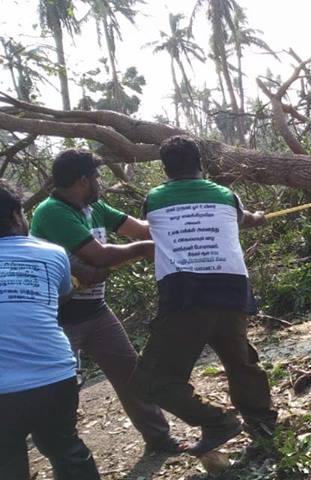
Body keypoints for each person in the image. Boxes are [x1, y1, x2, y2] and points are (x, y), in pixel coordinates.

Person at [133, 135, 278, 457]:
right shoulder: (226, 196)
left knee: (153, 380)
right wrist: (260, 217)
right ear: (200, 163)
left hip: (185, 294)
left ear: (165, 169)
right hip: (230, 288)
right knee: (239, 360)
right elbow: (244, 220)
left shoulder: (153, 199)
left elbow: (154, 229)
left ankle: (218, 422)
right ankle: (263, 424)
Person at [29, 149, 182, 454]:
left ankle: (159, 439)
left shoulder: (93, 206)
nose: (100, 183)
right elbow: (98, 255)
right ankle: (65, 455)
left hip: (95, 312)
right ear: (83, 180)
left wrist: (186, 224)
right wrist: (142, 249)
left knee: (131, 373)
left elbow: (140, 229)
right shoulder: (51, 212)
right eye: (97, 177)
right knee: (61, 389)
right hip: (58, 319)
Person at [0, 180, 101, 480]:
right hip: (54, 377)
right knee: (66, 450)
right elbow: (62, 297)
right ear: (17, 215)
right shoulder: (52, 254)